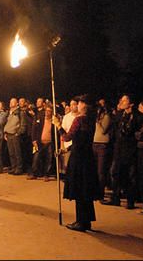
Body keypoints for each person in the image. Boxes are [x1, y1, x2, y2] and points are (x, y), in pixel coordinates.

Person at [54, 94, 101, 232]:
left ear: (85, 105)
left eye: (79, 103)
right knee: (85, 189)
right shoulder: (91, 119)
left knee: (80, 189)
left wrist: (58, 125)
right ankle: (86, 221)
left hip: (79, 158)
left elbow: (68, 136)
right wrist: (66, 149)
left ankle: (81, 221)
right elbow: (80, 140)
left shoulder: (79, 120)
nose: (77, 105)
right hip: (87, 156)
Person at [103, 94, 142, 209]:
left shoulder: (138, 116)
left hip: (130, 149)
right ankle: (115, 198)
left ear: (131, 103)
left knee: (130, 176)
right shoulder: (120, 115)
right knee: (115, 173)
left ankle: (130, 200)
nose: (122, 102)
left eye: (125, 100)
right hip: (118, 148)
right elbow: (114, 130)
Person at [29, 105, 55, 181]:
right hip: (39, 142)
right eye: (46, 111)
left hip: (49, 142)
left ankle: (46, 174)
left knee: (49, 159)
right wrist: (34, 140)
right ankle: (34, 173)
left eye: (49, 111)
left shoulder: (53, 121)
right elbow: (34, 129)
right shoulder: (40, 118)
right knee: (36, 158)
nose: (47, 112)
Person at [93, 100, 112, 200]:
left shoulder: (106, 117)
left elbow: (104, 130)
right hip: (94, 144)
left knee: (101, 171)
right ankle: (95, 190)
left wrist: (99, 122)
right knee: (94, 170)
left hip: (103, 145)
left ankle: (100, 193)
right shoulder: (94, 117)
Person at [4, 98, 26, 175]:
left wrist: (18, 133)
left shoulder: (20, 112)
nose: (10, 103)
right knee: (11, 153)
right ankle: (14, 167)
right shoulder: (9, 112)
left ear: (16, 104)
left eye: (12, 102)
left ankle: (19, 169)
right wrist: (5, 133)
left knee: (17, 153)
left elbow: (23, 124)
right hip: (9, 134)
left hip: (15, 134)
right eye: (10, 102)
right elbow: (7, 123)